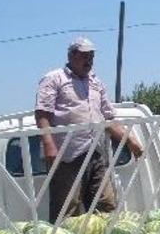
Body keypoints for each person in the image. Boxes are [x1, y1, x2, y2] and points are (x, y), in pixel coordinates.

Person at [35, 37, 143, 223]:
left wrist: (130, 141)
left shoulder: (96, 82)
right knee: (67, 209)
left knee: (106, 205)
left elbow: (108, 119)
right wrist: (48, 145)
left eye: (91, 56)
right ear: (71, 56)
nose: (89, 60)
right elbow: (42, 113)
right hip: (67, 155)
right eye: (84, 56)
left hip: (95, 152)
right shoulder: (55, 78)